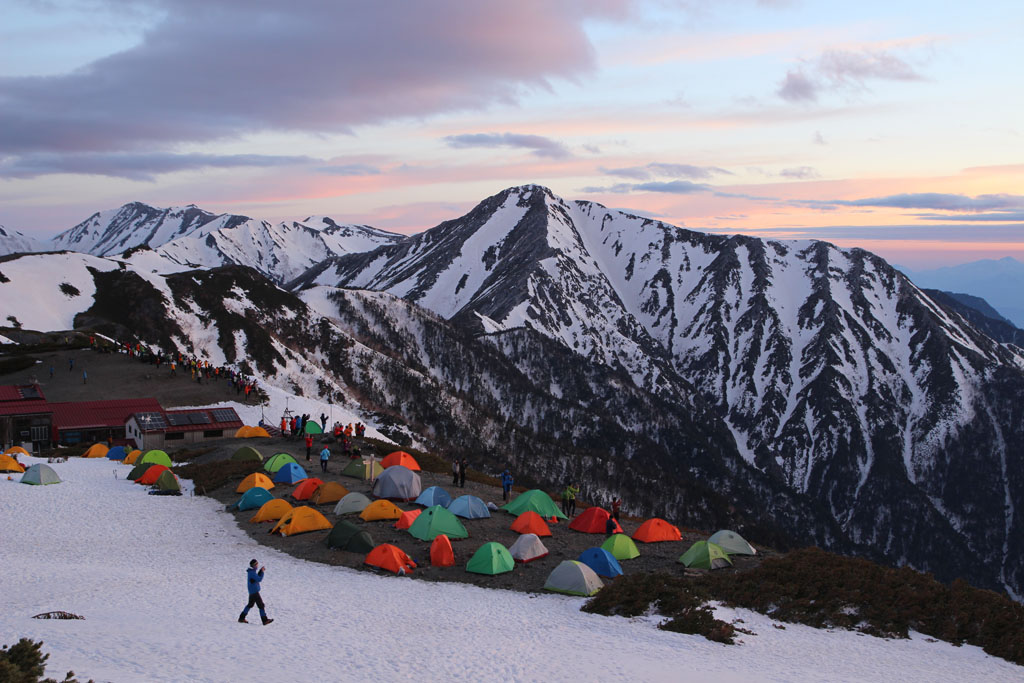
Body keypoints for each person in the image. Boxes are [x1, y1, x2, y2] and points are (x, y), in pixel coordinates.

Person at [239, 559, 273, 625]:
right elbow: (259, 579)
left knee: (250, 604)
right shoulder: (252, 572)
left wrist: (260, 571)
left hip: (252, 591)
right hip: (254, 591)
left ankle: (241, 618)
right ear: (254, 565)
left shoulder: (252, 571)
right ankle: (265, 620)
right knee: (261, 605)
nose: (258, 565)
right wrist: (262, 572)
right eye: (257, 564)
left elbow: (256, 577)